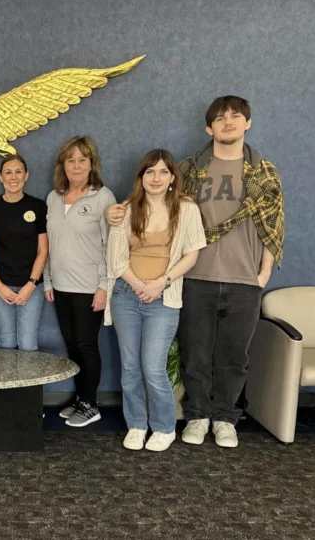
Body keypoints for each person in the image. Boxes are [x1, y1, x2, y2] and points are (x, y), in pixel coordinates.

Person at [107, 96, 285, 448]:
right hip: (195, 278)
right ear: (209, 128)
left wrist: (264, 273)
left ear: (247, 123)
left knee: (234, 356)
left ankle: (225, 419)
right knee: (196, 353)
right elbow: (152, 198)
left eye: (236, 117)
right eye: (221, 118)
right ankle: (198, 416)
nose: (228, 122)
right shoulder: (189, 170)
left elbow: (274, 225)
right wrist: (116, 212)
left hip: (244, 277)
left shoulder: (264, 172)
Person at [105, 149, 206, 452]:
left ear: (173, 177)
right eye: (150, 172)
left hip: (164, 297)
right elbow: (115, 258)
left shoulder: (186, 209)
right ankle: (136, 424)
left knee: (153, 367)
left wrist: (160, 284)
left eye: (163, 171)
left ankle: (164, 427)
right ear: (141, 177)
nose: (156, 178)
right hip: (127, 296)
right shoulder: (125, 210)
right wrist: (139, 285)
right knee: (130, 368)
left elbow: (192, 254)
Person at [43, 136, 116, 428]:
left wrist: (103, 286)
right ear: (63, 165)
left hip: (89, 287)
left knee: (86, 345)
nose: (76, 165)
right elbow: (49, 244)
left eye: (82, 160)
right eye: (70, 160)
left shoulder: (103, 197)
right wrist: (48, 281)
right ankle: (80, 399)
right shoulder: (53, 197)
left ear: (91, 164)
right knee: (72, 345)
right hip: (61, 286)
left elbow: (111, 245)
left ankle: (91, 404)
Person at [0, 155, 48, 350]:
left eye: (18, 172)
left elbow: (43, 250)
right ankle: (9, 382)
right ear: (0, 177)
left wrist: (31, 285)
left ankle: (27, 382)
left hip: (32, 287)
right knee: (6, 341)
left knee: (28, 342)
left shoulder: (38, 207)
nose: (13, 177)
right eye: (8, 172)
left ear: (26, 175)